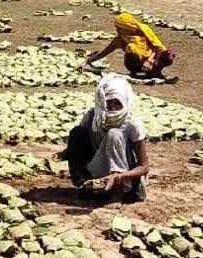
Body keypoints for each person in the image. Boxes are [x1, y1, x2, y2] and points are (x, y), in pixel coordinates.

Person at [59, 73, 150, 202]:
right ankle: (85, 184)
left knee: (114, 134)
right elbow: (80, 143)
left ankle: (116, 194)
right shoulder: (93, 116)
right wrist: (67, 152)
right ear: (102, 101)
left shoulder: (132, 123)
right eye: (108, 102)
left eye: (117, 103)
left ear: (125, 101)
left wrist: (119, 176)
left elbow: (144, 167)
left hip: (125, 177)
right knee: (77, 132)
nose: (112, 107)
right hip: (98, 167)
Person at [83, 13, 176, 79]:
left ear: (128, 27)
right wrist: (89, 61)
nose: (117, 30)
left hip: (152, 60)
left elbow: (158, 47)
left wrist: (149, 61)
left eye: (120, 28)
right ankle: (139, 72)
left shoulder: (143, 29)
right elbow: (105, 52)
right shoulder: (120, 39)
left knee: (168, 54)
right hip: (137, 64)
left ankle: (155, 72)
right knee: (131, 47)